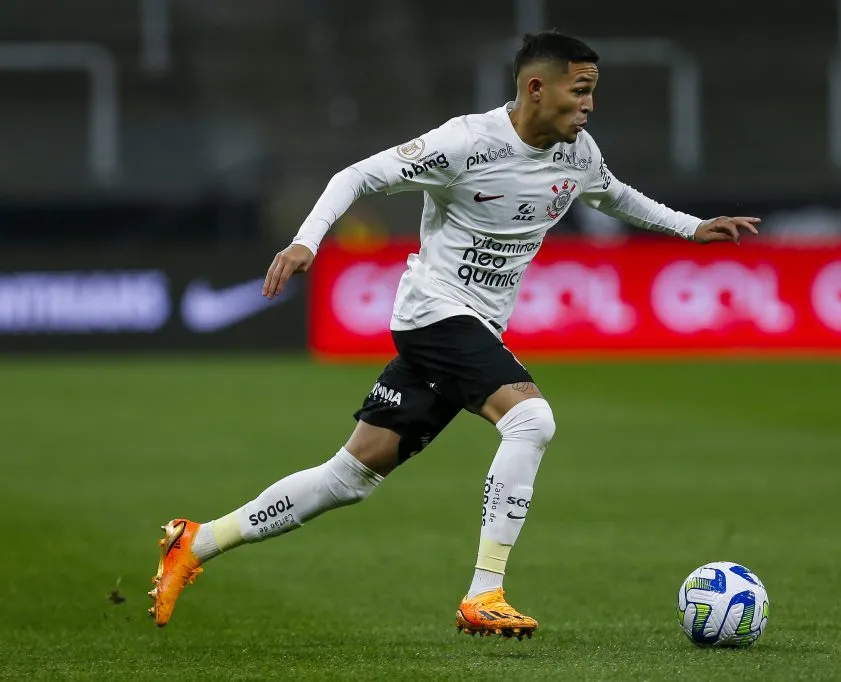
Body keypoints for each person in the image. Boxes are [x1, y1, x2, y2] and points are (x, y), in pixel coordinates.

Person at [148, 29, 759, 639]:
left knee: (351, 476)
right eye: (581, 91)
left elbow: (614, 196)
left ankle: (197, 542)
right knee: (531, 420)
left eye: (593, 92)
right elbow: (356, 176)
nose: (589, 106)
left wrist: (691, 227)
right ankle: (485, 590)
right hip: (434, 314)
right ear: (535, 88)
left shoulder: (578, 153)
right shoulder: (465, 142)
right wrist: (308, 238)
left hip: (472, 327)